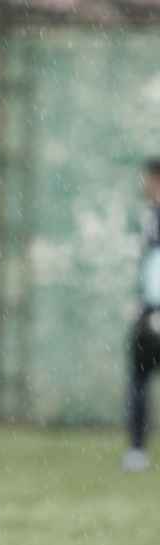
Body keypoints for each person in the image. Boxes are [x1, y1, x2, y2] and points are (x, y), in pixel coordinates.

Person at [123, 158, 160, 473]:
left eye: (148, 179)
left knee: (139, 377)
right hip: (149, 309)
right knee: (139, 378)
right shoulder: (152, 216)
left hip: (155, 310)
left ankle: (137, 451)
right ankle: (136, 451)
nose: (144, 186)